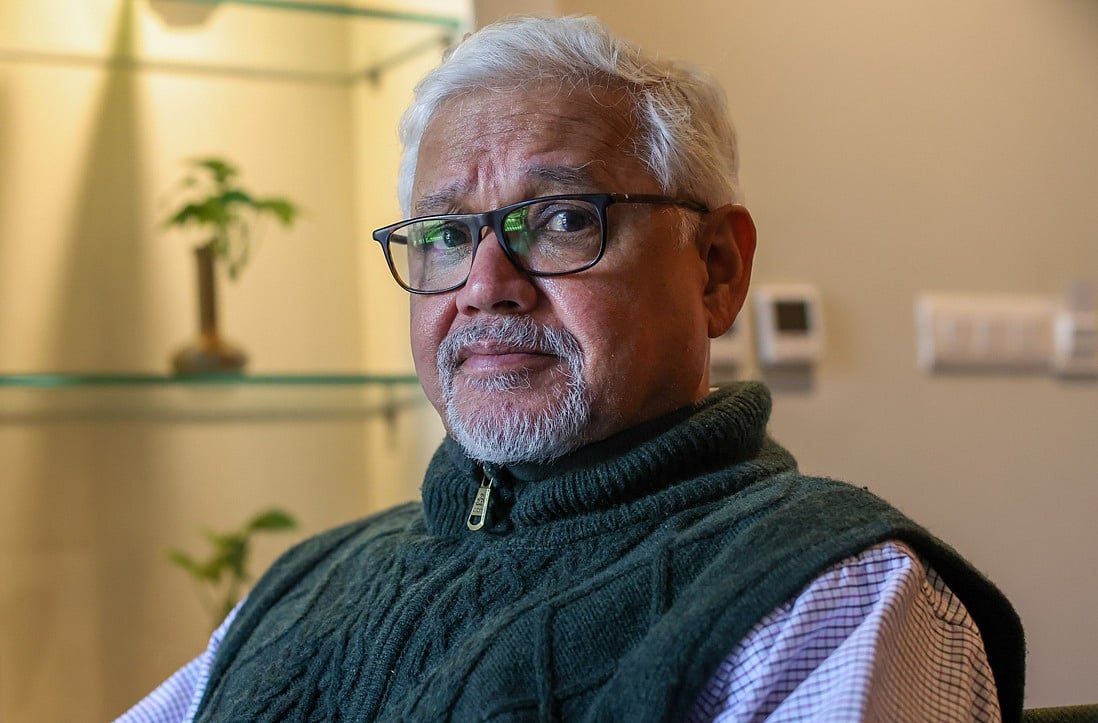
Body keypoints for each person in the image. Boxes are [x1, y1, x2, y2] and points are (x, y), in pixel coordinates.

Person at [119, 15, 1024, 722]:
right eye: (445, 235)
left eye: (560, 220)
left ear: (717, 269)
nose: (485, 286)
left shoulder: (830, 596)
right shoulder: (308, 579)